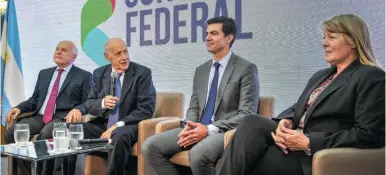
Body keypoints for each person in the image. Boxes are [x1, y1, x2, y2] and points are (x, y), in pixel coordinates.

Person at [215, 14, 385, 175]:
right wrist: (285, 120)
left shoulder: (371, 76)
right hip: (294, 136)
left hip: (315, 151)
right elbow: (299, 106)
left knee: (249, 161)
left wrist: (308, 142)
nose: (324, 43)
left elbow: (369, 134)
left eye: (331, 38)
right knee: (251, 121)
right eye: (324, 38)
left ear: (354, 41)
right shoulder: (320, 75)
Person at [142, 16, 260, 175]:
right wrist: (189, 125)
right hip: (196, 127)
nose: (207, 38)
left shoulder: (246, 68)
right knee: (150, 146)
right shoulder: (201, 70)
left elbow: (247, 114)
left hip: (223, 131)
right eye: (207, 33)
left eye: (214, 33)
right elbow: (194, 106)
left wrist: (209, 129)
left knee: (198, 155)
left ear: (229, 38)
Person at [56, 38, 156, 175]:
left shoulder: (142, 73)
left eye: (125, 52)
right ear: (107, 57)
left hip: (128, 125)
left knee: (118, 136)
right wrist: (102, 103)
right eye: (118, 54)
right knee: (68, 130)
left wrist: (118, 125)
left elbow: (146, 109)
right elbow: (90, 103)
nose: (124, 57)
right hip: (103, 125)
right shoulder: (99, 73)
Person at [5, 40, 92, 175]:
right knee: (11, 133)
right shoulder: (44, 73)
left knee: (45, 135)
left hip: (62, 118)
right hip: (39, 117)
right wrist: (20, 108)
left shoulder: (84, 76)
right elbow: (34, 99)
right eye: (57, 49)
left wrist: (78, 109)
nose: (58, 52)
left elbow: (88, 101)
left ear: (74, 57)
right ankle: (30, 172)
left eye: (63, 50)